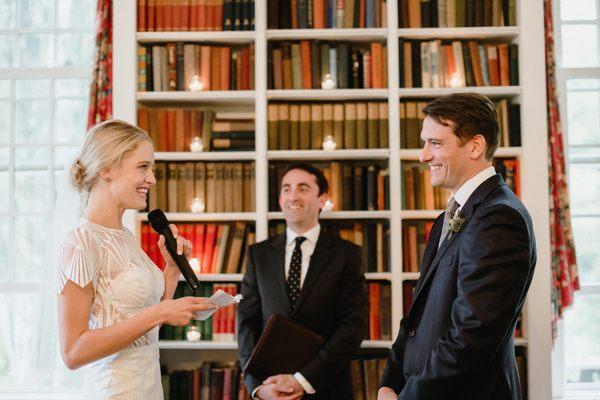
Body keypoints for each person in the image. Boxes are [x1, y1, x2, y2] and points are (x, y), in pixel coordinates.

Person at [378, 93, 536, 400]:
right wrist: (390, 381)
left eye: (435, 143)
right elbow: (417, 316)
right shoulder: (446, 218)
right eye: (424, 143)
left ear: (475, 146)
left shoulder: (500, 217)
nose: (423, 156)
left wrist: (409, 396)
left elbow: (471, 336)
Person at [56, 120, 215, 399]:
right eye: (143, 167)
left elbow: (141, 321)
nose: (152, 179)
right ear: (106, 169)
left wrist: (170, 271)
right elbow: (73, 352)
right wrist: (160, 312)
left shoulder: (125, 236)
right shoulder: (81, 242)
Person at [238, 163, 368, 400]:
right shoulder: (258, 255)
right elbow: (247, 323)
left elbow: (353, 327)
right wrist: (257, 386)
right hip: (270, 389)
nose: (293, 196)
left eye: (303, 188)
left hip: (327, 388)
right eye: (286, 189)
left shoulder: (347, 254)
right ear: (279, 200)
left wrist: (302, 380)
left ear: (322, 199)